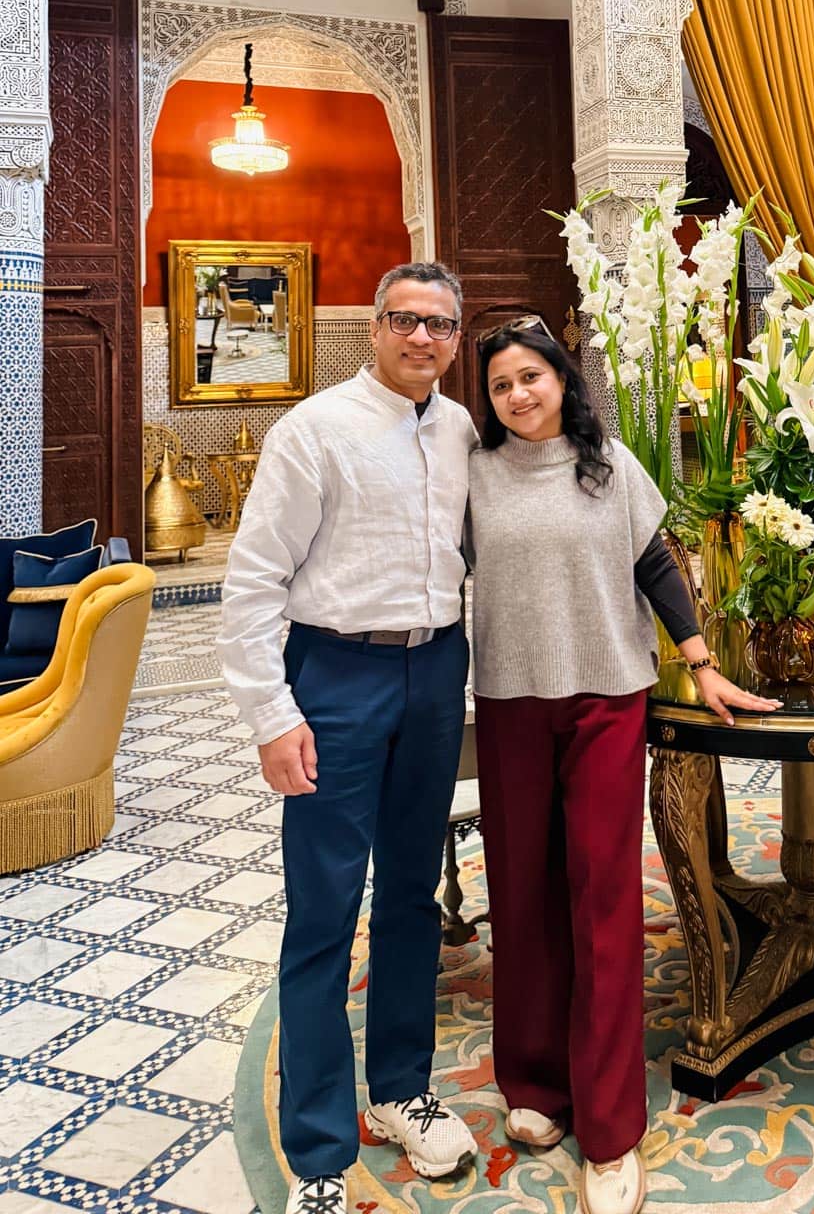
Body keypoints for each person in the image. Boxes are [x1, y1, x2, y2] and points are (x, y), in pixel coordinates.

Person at [467, 321, 779, 1214]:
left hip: (609, 697)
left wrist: (702, 659)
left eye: (532, 377)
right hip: (511, 700)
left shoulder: (610, 467)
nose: (519, 395)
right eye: (499, 387)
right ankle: (533, 1083)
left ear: (562, 379)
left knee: (603, 899)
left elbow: (655, 564)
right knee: (522, 891)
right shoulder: (475, 477)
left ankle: (610, 1131)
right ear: (485, 402)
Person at [218, 261, 479, 1214]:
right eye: (406, 321)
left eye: (441, 326)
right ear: (374, 328)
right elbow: (252, 585)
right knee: (324, 908)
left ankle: (401, 1089)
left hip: (433, 671)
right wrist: (273, 716)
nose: (422, 339)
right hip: (336, 677)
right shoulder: (314, 431)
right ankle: (320, 1149)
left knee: (412, 892)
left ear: (458, 338)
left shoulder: (458, 429)